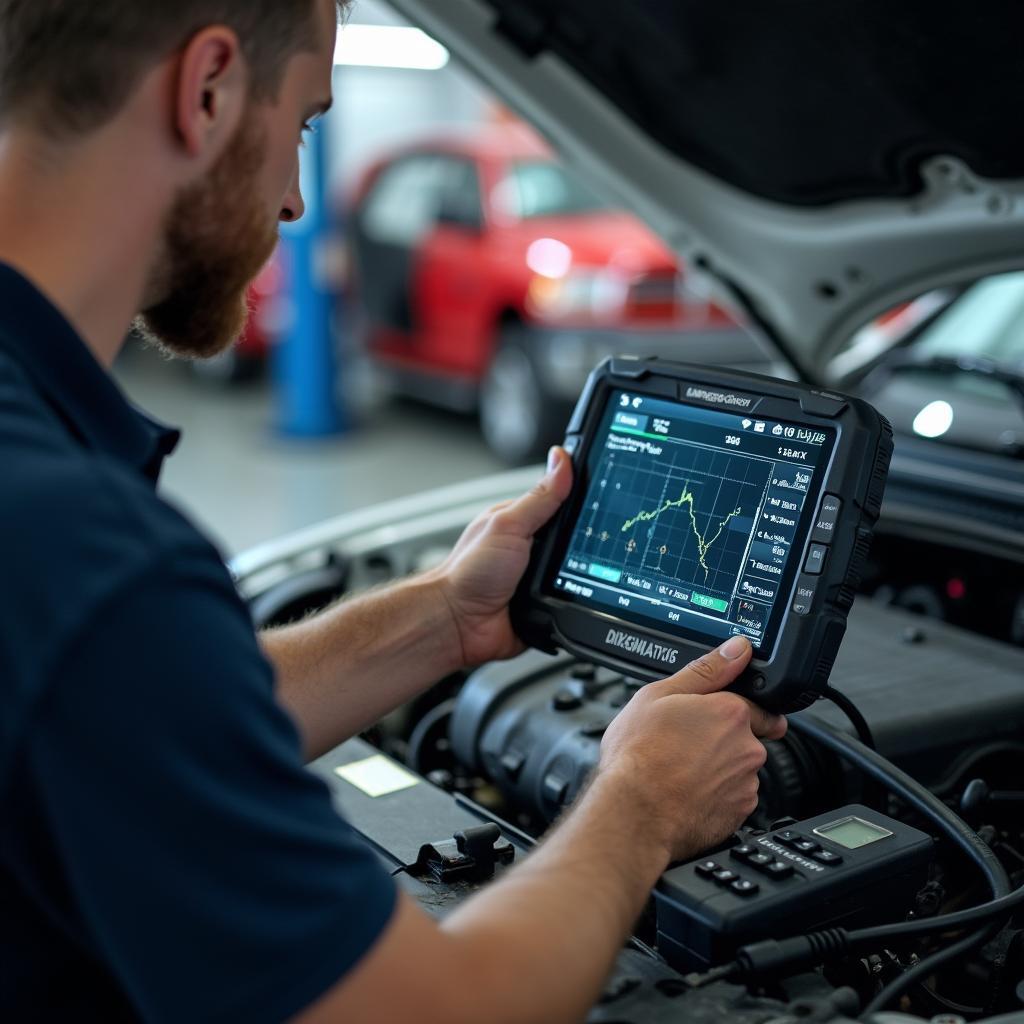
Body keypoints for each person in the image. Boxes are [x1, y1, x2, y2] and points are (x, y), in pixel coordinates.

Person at [0, 2, 786, 1021]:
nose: (292, 197)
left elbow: (139, 714)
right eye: (304, 125)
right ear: (207, 90)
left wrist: (447, 620)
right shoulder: (82, 555)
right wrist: (640, 803)